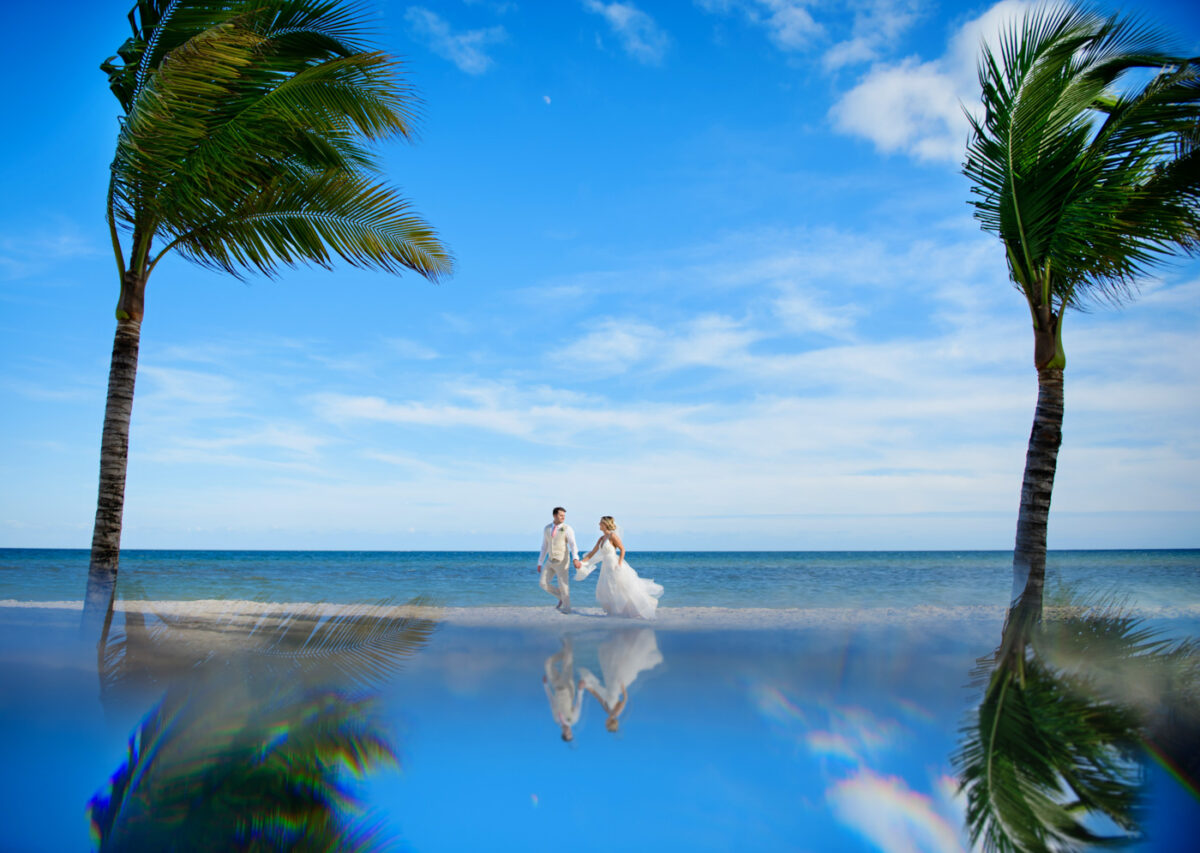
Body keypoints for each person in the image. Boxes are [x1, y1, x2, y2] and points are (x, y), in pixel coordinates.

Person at [576, 516, 663, 620]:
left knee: (621, 587)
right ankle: (614, 612)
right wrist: (581, 562)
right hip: (606, 566)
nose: (599, 524)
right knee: (608, 588)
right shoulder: (601, 539)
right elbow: (592, 553)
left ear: (605, 524)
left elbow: (622, 549)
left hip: (614, 564)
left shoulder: (613, 536)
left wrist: (620, 563)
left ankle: (634, 610)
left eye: (601, 523)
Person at [578, 628, 663, 732]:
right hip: (617, 686)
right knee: (623, 661)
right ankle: (630, 636)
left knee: (613, 662)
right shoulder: (616, 713)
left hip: (610, 684)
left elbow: (599, 697)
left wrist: (589, 688)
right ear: (610, 723)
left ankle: (624, 635)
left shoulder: (607, 711)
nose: (605, 723)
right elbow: (624, 700)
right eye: (607, 724)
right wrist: (622, 686)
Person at [537, 506, 581, 614]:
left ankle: (567, 609)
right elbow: (544, 546)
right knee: (543, 583)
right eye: (561, 515)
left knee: (564, 585)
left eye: (564, 516)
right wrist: (540, 562)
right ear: (554, 515)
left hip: (562, 561)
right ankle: (561, 597)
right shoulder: (547, 528)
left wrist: (575, 558)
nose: (563, 518)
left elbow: (573, 545)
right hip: (550, 560)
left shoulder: (567, 528)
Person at [543, 636, 584, 742]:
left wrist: (546, 686)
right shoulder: (573, 720)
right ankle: (568, 641)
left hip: (556, 686)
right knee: (567, 663)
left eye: (567, 734)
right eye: (570, 733)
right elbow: (578, 704)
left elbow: (552, 702)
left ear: (563, 733)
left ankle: (565, 649)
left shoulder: (556, 719)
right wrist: (580, 690)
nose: (568, 732)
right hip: (567, 688)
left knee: (548, 663)